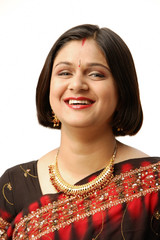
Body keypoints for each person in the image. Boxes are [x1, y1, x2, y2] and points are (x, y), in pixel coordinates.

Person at [0, 24, 160, 240]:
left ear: (122, 89)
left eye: (96, 74)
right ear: (48, 85)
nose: (77, 85)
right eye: (64, 73)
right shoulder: (14, 185)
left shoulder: (153, 182)